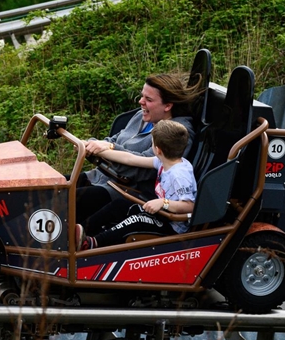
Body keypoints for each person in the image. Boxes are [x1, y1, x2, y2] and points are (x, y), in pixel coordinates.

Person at [77, 71, 201, 229]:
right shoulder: (142, 116)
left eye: (148, 99)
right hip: (102, 176)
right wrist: (94, 144)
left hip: (129, 191)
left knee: (67, 199)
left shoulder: (177, 134)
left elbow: (141, 169)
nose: (141, 102)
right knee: (55, 185)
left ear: (168, 106)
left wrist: (107, 150)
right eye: (142, 96)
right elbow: (115, 139)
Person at [77, 120, 197, 249]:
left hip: (171, 226)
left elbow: (190, 206)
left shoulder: (179, 175)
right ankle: (79, 231)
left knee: (135, 220)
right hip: (160, 214)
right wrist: (95, 150)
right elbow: (130, 159)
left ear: (157, 149)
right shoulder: (163, 161)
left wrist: (164, 203)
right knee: (119, 205)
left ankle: (91, 243)